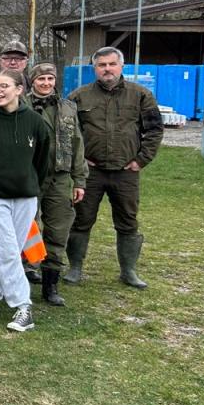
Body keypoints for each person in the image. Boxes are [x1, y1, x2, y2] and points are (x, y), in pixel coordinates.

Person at [65, 46, 164, 289]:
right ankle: (75, 268)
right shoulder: (78, 97)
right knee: (81, 220)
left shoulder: (141, 95)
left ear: (121, 66)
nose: (107, 69)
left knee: (128, 221)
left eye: (111, 64)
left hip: (126, 173)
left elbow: (154, 130)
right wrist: (78, 160)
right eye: (102, 65)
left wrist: (141, 160)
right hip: (90, 173)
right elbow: (66, 133)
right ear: (94, 68)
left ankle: (128, 271)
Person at [0, 70, 53, 333]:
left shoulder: (35, 121)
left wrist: (32, 186)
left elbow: (42, 161)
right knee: (5, 248)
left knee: (8, 250)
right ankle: (23, 305)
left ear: (19, 89)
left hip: (25, 197)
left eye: (4, 86)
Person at [27, 63, 87, 307]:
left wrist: (79, 179)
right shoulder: (21, 104)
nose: (46, 83)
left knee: (58, 230)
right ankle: (23, 273)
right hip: (29, 176)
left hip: (59, 178)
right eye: (41, 78)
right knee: (25, 227)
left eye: (50, 79)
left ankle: (50, 284)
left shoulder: (67, 107)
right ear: (32, 81)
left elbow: (77, 143)